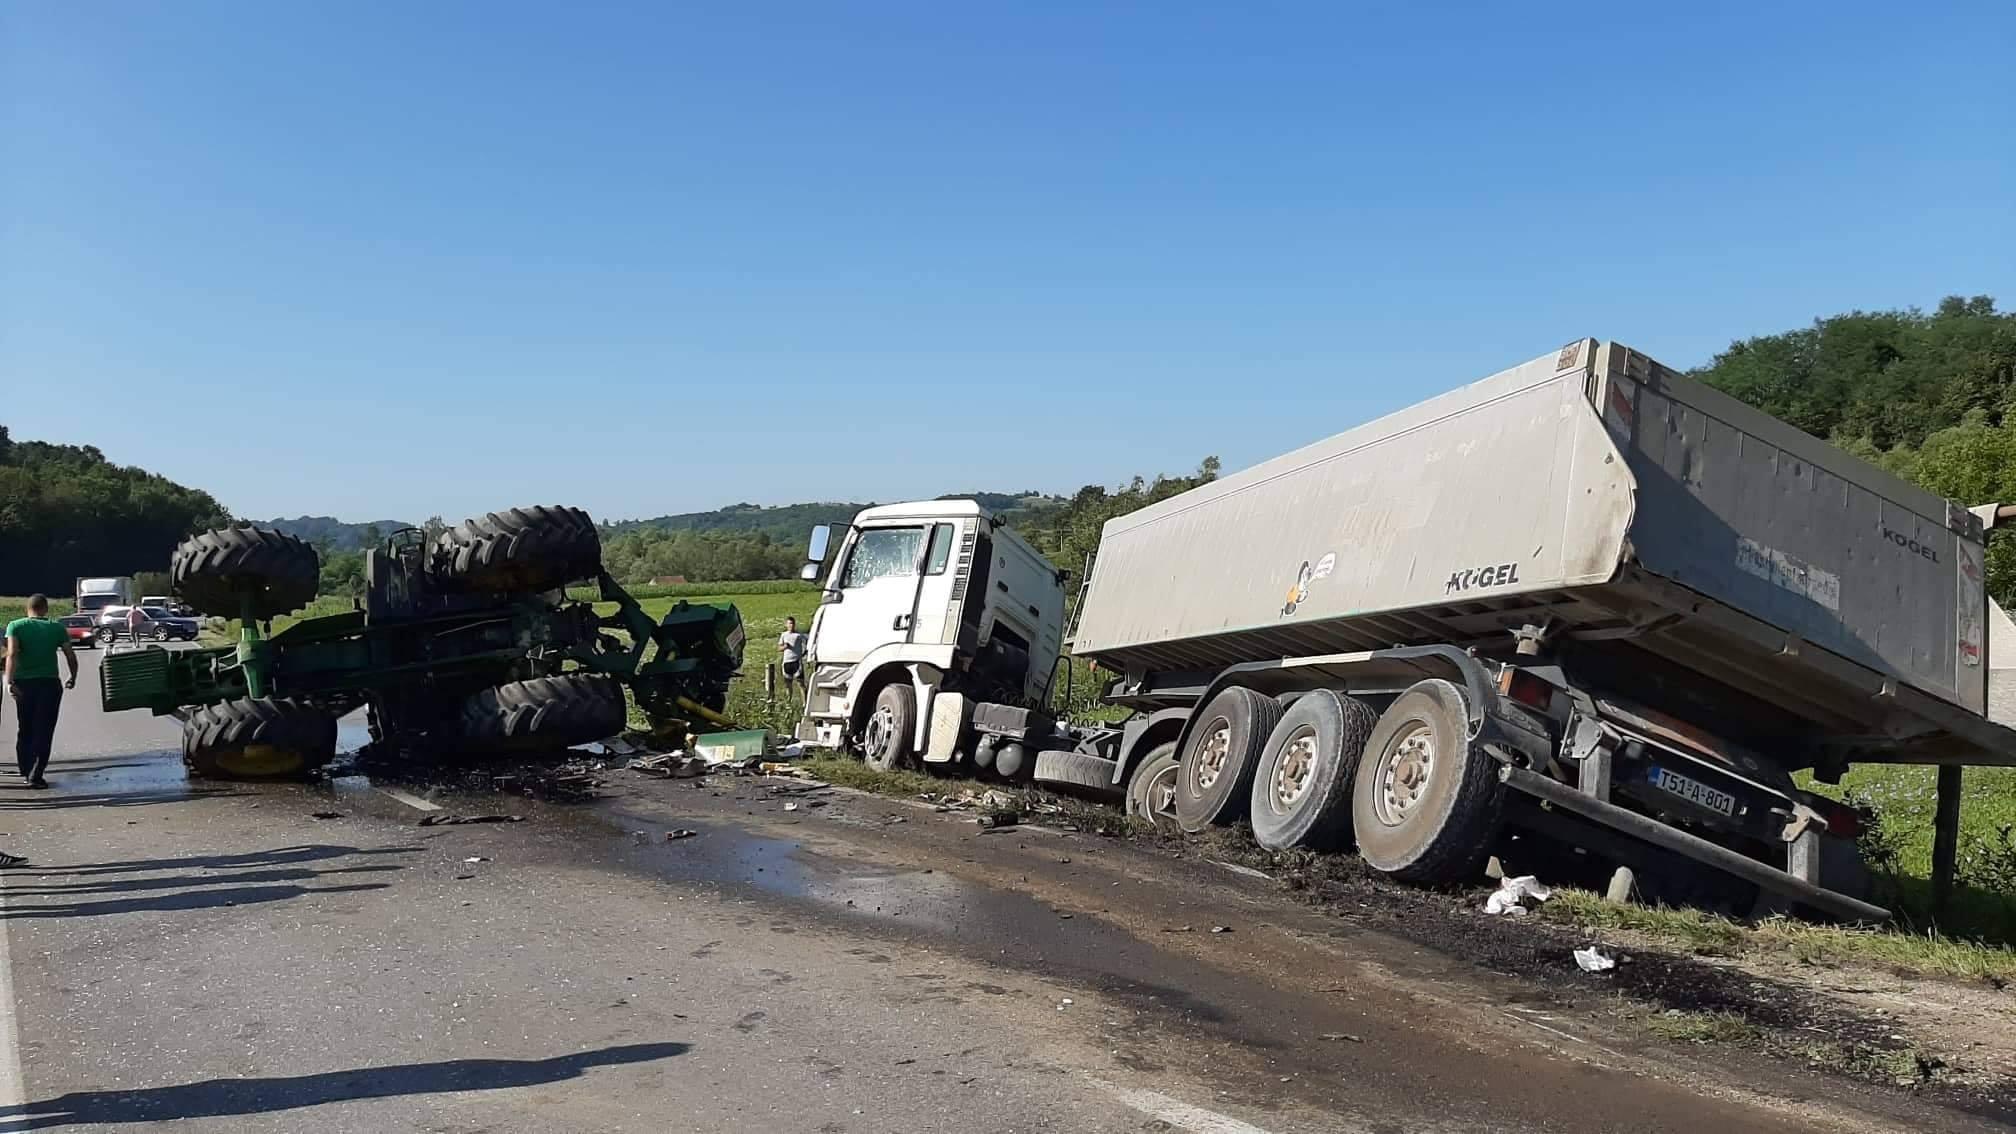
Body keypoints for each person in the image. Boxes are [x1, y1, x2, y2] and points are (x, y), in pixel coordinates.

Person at [6, 593, 79, 790]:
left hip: (24, 684)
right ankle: (36, 775)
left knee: (25, 727)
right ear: (45, 609)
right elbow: (70, 655)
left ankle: (25, 768)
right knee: (44, 730)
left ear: (27, 609)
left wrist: (9, 680)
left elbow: (12, 653)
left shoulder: (16, 626)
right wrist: (73, 676)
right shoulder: (56, 627)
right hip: (49, 684)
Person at [777, 616, 809, 699]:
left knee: (801, 684)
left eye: (793, 623)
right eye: (790, 623)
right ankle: (789, 703)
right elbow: (779, 648)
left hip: (797, 662)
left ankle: (804, 705)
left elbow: (808, 643)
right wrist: (785, 646)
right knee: (788, 685)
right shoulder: (784, 635)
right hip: (787, 662)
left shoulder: (798, 635)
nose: (791, 625)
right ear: (786, 625)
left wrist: (804, 653)